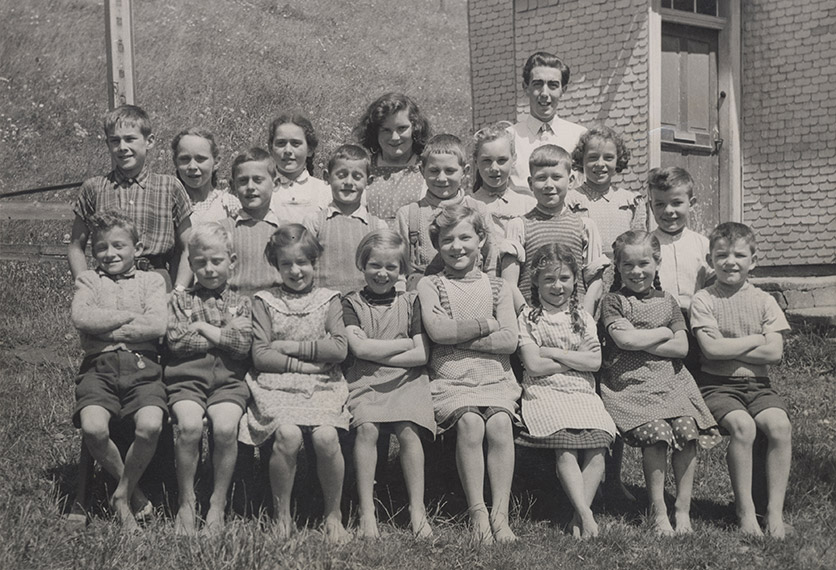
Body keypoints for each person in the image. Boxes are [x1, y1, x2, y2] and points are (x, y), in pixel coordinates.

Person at [599, 230, 721, 536]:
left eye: (644, 263)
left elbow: (682, 348)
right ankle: (658, 510)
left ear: (657, 262)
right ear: (618, 267)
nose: (637, 271)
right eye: (628, 265)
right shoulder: (613, 301)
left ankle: (682, 508)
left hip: (670, 379)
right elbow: (622, 340)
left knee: (686, 429)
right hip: (629, 383)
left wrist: (643, 339)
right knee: (658, 433)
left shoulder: (668, 301)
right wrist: (664, 333)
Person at [238, 224, 351, 544]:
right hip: (275, 384)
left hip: (323, 384)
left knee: (327, 437)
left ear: (315, 262)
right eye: (286, 264)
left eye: (302, 262)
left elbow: (339, 348)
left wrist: (289, 347)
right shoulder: (264, 300)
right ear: (275, 265)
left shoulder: (328, 300)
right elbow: (261, 355)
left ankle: (333, 514)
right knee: (287, 435)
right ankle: (282, 516)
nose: (295, 270)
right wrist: (304, 364)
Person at [416, 204, 521, 544]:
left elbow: (509, 340)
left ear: (481, 240)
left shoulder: (497, 287)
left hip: (494, 377)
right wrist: (484, 325)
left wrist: (461, 336)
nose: (457, 246)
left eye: (465, 237)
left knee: (501, 423)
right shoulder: (431, 284)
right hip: (451, 378)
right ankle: (477, 512)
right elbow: (439, 333)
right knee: (471, 423)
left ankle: (500, 515)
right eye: (447, 240)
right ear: (437, 245)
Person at [690, 222, 792, 539]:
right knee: (743, 427)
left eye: (739, 255)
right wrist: (755, 339)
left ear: (753, 260)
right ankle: (745, 510)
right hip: (717, 386)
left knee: (780, 426)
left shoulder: (764, 300)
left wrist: (731, 347)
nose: (730, 261)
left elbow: (774, 352)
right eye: (721, 255)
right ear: (711, 259)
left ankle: (774, 512)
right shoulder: (704, 299)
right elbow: (712, 349)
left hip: (759, 387)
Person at [70, 211, 168, 532]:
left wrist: (105, 326)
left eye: (118, 246)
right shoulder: (88, 280)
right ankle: (133, 495)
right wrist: (130, 318)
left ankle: (121, 494)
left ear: (137, 248)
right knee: (94, 429)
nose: (109, 254)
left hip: (143, 368)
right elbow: (82, 319)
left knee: (150, 426)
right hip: (99, 370)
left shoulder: (152, 281)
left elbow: (157, 324)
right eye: (100, 248)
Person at [515, 244, 616, 539]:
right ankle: (586, 514)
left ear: (574, 280)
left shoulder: (582, 317)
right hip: (544, 391)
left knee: (598, 445)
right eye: (549, 279)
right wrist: (573, 359)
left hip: (582, 392)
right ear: (536, 281)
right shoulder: (529, 317)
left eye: (564, 279)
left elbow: (594, 362)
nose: (557, 287)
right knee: (567, 446)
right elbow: (533, 366)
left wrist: (551, 352)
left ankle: (577, 515)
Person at [342, 230, 435, 538]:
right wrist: (402, 344)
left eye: (391, 268)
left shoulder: (411, 301)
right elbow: (359, 350)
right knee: (367, 428)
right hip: (365, 380)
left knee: (408, 430)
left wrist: (377, 351)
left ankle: (416, 509)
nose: (382, 274)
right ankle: (367, 511)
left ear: (401, 270)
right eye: (374, 266)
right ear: (362, 265)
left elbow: (421, 354)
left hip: (407, 380)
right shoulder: (350, 303)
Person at [165, 223, 252, 536]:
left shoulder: (243, 302)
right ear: (190, 264)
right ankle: (186, 500)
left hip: (228, 381)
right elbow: (177, 342)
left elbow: (243, 346)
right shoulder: (179, 300)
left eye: (216, 261)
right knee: (188, 427)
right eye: (200, 262)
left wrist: (200, 328)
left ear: (231, 261)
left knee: (226, 428)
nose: (209, 268)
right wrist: (222, 335)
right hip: (186, 380)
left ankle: (217, 501)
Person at [68, 104, 193, 291]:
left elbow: (188, 246)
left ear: (149, 141)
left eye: (130, 139)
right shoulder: (94, 188)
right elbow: (76, 246)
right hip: (107, 283)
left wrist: (179, 290)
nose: (122, 147)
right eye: (115, 141)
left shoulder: (170, 187)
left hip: (156, 281)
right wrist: (85, 285)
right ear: (108, 144)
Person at [503, 145, 608, 314]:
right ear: (530, 183)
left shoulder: (584, 226)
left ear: (571, 181)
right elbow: (509, 283)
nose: (549, 185)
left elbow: (595, 283)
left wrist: (584, 319)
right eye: (541, 178)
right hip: (532, 322)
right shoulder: (519, 225)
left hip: (575, 320)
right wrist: (527, 317)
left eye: (557, 177)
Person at [395, 134, 497, 286]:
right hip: (423, 297)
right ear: (422, 171)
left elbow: (491, 263)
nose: (442, 178)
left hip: (472, 292)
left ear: (465, 171)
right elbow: (398, 271)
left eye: (450, 171)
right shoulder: (408, 214)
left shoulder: (478, 209)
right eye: (434, 171)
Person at [303, 144, 387, 294]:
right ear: (327, 177)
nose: (349, 182)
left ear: (369, 181)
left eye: (357, 176)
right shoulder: (315, 222)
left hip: (364, 305)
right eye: (341, 175)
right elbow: (302, 264)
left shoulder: (377, 226)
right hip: (323, 305)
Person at [508, 51, 587, 194]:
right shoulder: (509, 137)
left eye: (553, 85)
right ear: (526, 88)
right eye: (538, 84)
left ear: (563, 90)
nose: (544, 93)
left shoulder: (579, 136)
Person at [567, 125, 646, 262]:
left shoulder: (631, 201)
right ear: (581, 159)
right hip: (584, 274)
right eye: (593, 157)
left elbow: (640, 246)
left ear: (618, 160)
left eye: (608, 158)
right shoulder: (570, 200)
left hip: (623, 276)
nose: (600, 164)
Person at [354, 92, 431, 228]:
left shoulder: (427, 169)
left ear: (415, 128)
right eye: (386, 130)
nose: (394, 137)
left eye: (402, 128)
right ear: (375, 132)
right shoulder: (363, 168)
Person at [218, 148, 283, 299]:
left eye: (258, 180)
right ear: (233, 186)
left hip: (276, 307)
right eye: (243, 181)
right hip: (234, 307)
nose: (250, 187)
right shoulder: (223, 229)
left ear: (276, 183)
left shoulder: (285, 229)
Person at [471, 121, 535, 271]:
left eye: (502, 160)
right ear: (476, 161)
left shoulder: (528, 204)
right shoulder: (468, 205)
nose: (494, 168)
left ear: (514, 159)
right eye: (486, 161)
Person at [648, 166, 713, 314]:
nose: (668, 211)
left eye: (676, 203)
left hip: (697, 319)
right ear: (651, 207)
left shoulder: (703, 245)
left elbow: (715, 284)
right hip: (658, 319)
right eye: (660, 204)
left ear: (692, 204)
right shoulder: (645, 245)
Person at [267, 113, 332, 224]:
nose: (287, 150)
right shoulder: (261, 190)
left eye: (295, 143)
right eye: (281, 143)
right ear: (271, 148)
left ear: (310, 149)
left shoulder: (325, 192)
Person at [170, 128, 241, 226]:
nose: (192, 167)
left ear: (216, 162)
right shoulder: (169, 205)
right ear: (175, 162)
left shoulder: (228, 205)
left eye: (200, 159)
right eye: (185, 159)